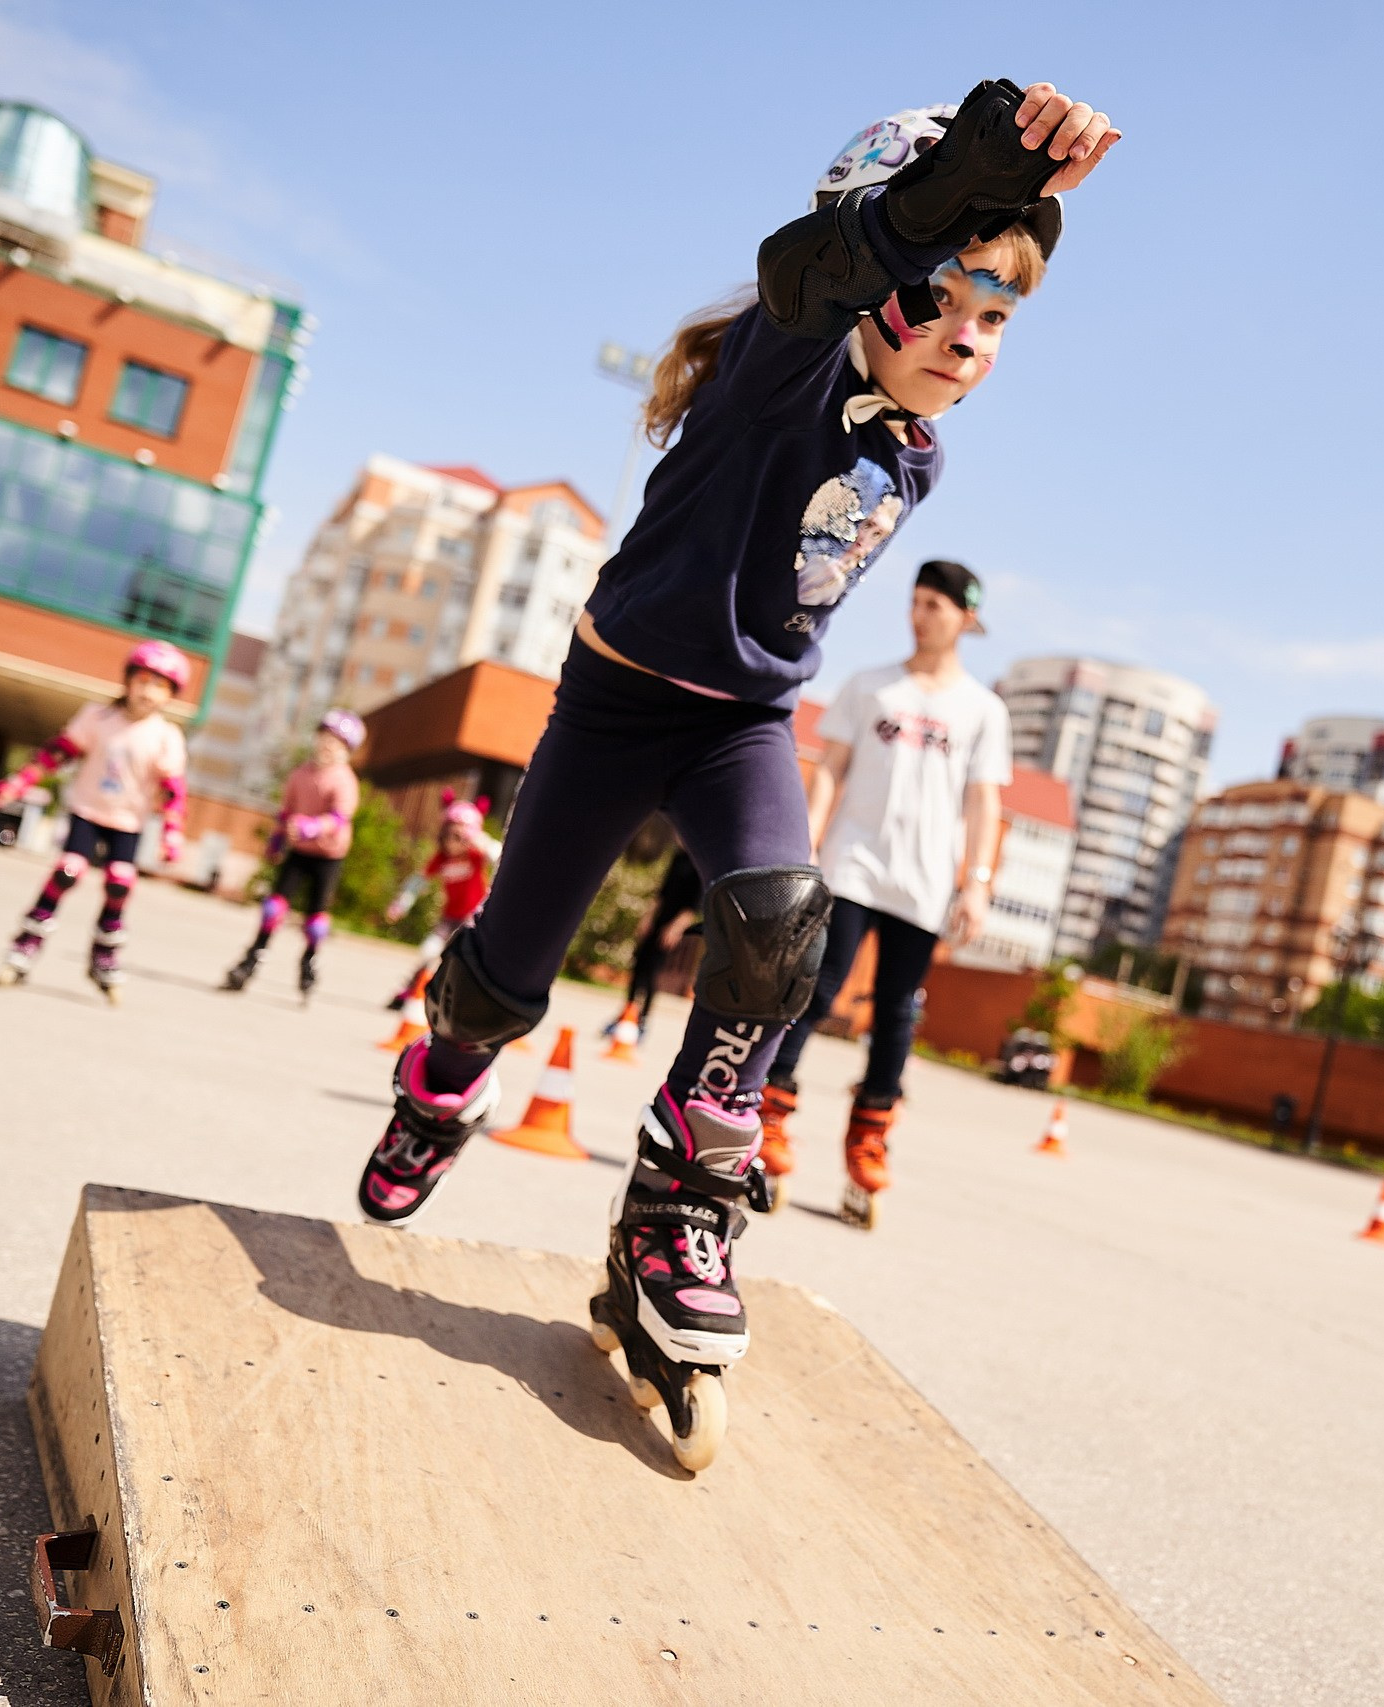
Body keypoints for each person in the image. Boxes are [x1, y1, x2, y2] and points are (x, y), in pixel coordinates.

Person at [348, 79, 1118, 1469]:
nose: (965, 341)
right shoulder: (789, 367)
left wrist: (977, 237)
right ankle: (442, 1078)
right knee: (507, 977)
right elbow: (810, 279)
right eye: (939, 302)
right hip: (613, 709)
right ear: (878, 274)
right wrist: (935, 201)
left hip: (739, 725)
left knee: (779, 928)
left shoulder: (918, 451)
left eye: (996, 321)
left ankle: (676, 1207)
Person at [760, 561, 1011, 1226]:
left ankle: (868, 1143)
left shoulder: (983, 710)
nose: (920, 613)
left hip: (924, 882)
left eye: (936, 605)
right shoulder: (872, 685)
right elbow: (829, 770)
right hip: (852, 865)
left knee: (897, 1014)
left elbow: (986, 804)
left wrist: (977, 883)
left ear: (965, 619)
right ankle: (771, 1121)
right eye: (917, 600)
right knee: (815, 988)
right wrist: (804, 845)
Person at [0, 640, 192, 1002]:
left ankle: (104, 955)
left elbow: (174, 791)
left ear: (170, 695)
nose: (148, 691)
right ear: (128, 681)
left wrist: (172, 834)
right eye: (143, 680)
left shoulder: (166, 736)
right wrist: (20, 782)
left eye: (159, 686)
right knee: (68, 871)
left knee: (121, 882)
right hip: (88, 810)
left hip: (128, 821)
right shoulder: (98, 718)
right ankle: (26, 944)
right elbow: (58, 753)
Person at [222, 710, 363, 1002]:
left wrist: (313, 826)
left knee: (316, 920)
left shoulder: (344, 779)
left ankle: (309, 961)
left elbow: (340, 818)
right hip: (299, 850)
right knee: (273, 909)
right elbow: (285, 812)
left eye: (336, 742)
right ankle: (251, 959)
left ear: (346, 750)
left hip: (329, 856)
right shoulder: (300, 774)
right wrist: (276, 840)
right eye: (324, 738)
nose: (327, 746)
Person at [381, 790, 501, 1009]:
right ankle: (411, 990)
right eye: (450, 836)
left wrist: (477, 839)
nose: (453, 843)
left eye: (460, 838)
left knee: (466, 960)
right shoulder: (441, 859)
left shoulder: (475, 856)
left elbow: (498, 855)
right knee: (428, 952)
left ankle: (467, 1002)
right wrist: (401, 903)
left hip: (474, 917)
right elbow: (417, 882)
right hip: (450, 916)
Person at [603, 844, 704, 1038]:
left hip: (673, 925)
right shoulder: (678, 858)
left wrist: (676, 928)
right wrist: (647, 918)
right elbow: (662, 893)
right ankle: (627, 1013)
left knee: (652, 971)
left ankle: (643, 1019)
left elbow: (693, 906)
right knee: (638, 965)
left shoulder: (698, 863)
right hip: (658, 919)